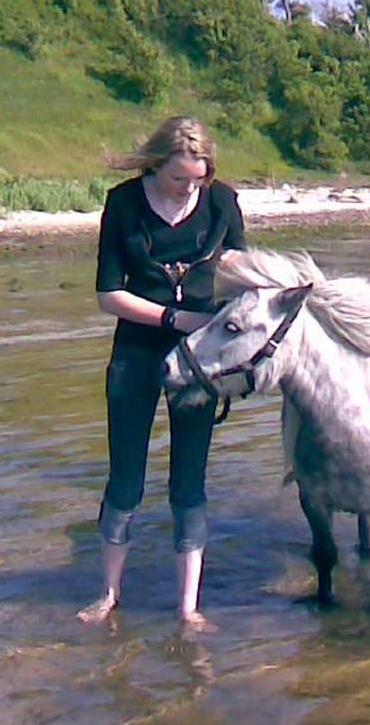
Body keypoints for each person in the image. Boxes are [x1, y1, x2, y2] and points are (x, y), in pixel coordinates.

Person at [77, 116, 247, 628]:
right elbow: (109, 295)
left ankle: (188, 608)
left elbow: (243, 273)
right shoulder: (124, 204)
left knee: (189, 483)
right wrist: (175, 319)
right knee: (125, 479)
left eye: (197, 180)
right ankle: (108, 594)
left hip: (201, 361)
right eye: (178, 179)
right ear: (155, 165)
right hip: (136, 353)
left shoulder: (222, 202)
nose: (188, 189)